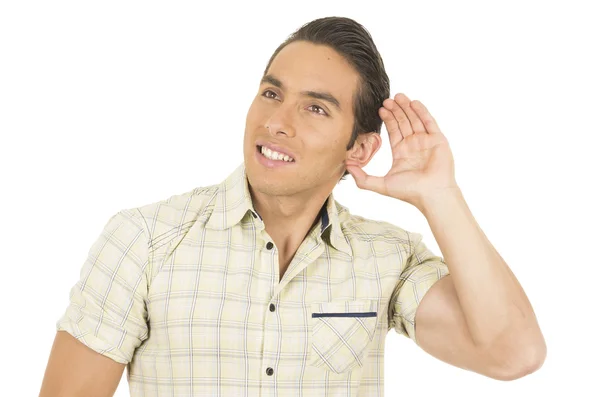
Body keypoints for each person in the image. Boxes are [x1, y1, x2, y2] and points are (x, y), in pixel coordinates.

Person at [38, 16, 546, 397]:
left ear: (360, 149)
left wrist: (441, 196)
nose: (277, 121)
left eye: (315, 107)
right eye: (271, 93)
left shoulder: (387, 261)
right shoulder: (144, 241)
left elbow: (514, 354)